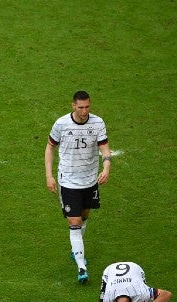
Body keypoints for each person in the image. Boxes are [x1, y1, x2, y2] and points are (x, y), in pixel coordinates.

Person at [44, 91, 112, 283]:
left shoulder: (98, 123)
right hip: (68, 181)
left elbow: (105, 149)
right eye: (81, 107)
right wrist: (49, 175)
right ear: (73, 106)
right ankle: (82, 267)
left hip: (90, 180)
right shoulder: (61, 124)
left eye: (87, 107)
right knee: (74, 222)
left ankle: (76, 250)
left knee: (84, 217)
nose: (84, 111)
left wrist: (106, 167)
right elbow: (50, 147)